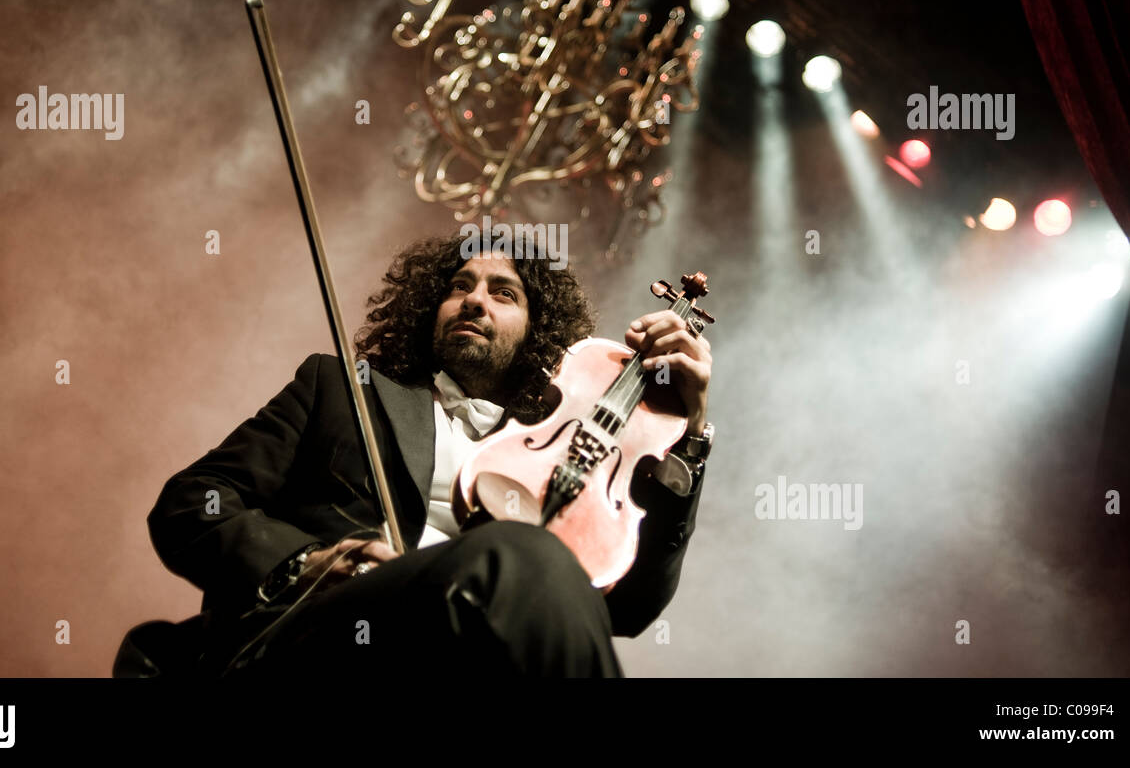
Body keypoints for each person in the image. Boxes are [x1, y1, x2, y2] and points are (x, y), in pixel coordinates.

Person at [131, 232, 714, 678]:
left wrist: (687, 431)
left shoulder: (562, 455)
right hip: (325, 637)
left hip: (462, 660)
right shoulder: (339, 390)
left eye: (502, 292)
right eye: (460, 286)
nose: (473, 301)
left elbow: (625, 611)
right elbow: (190, 504)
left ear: (542, 332)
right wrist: (305, 563)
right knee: (524, 552)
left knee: (542, 573)